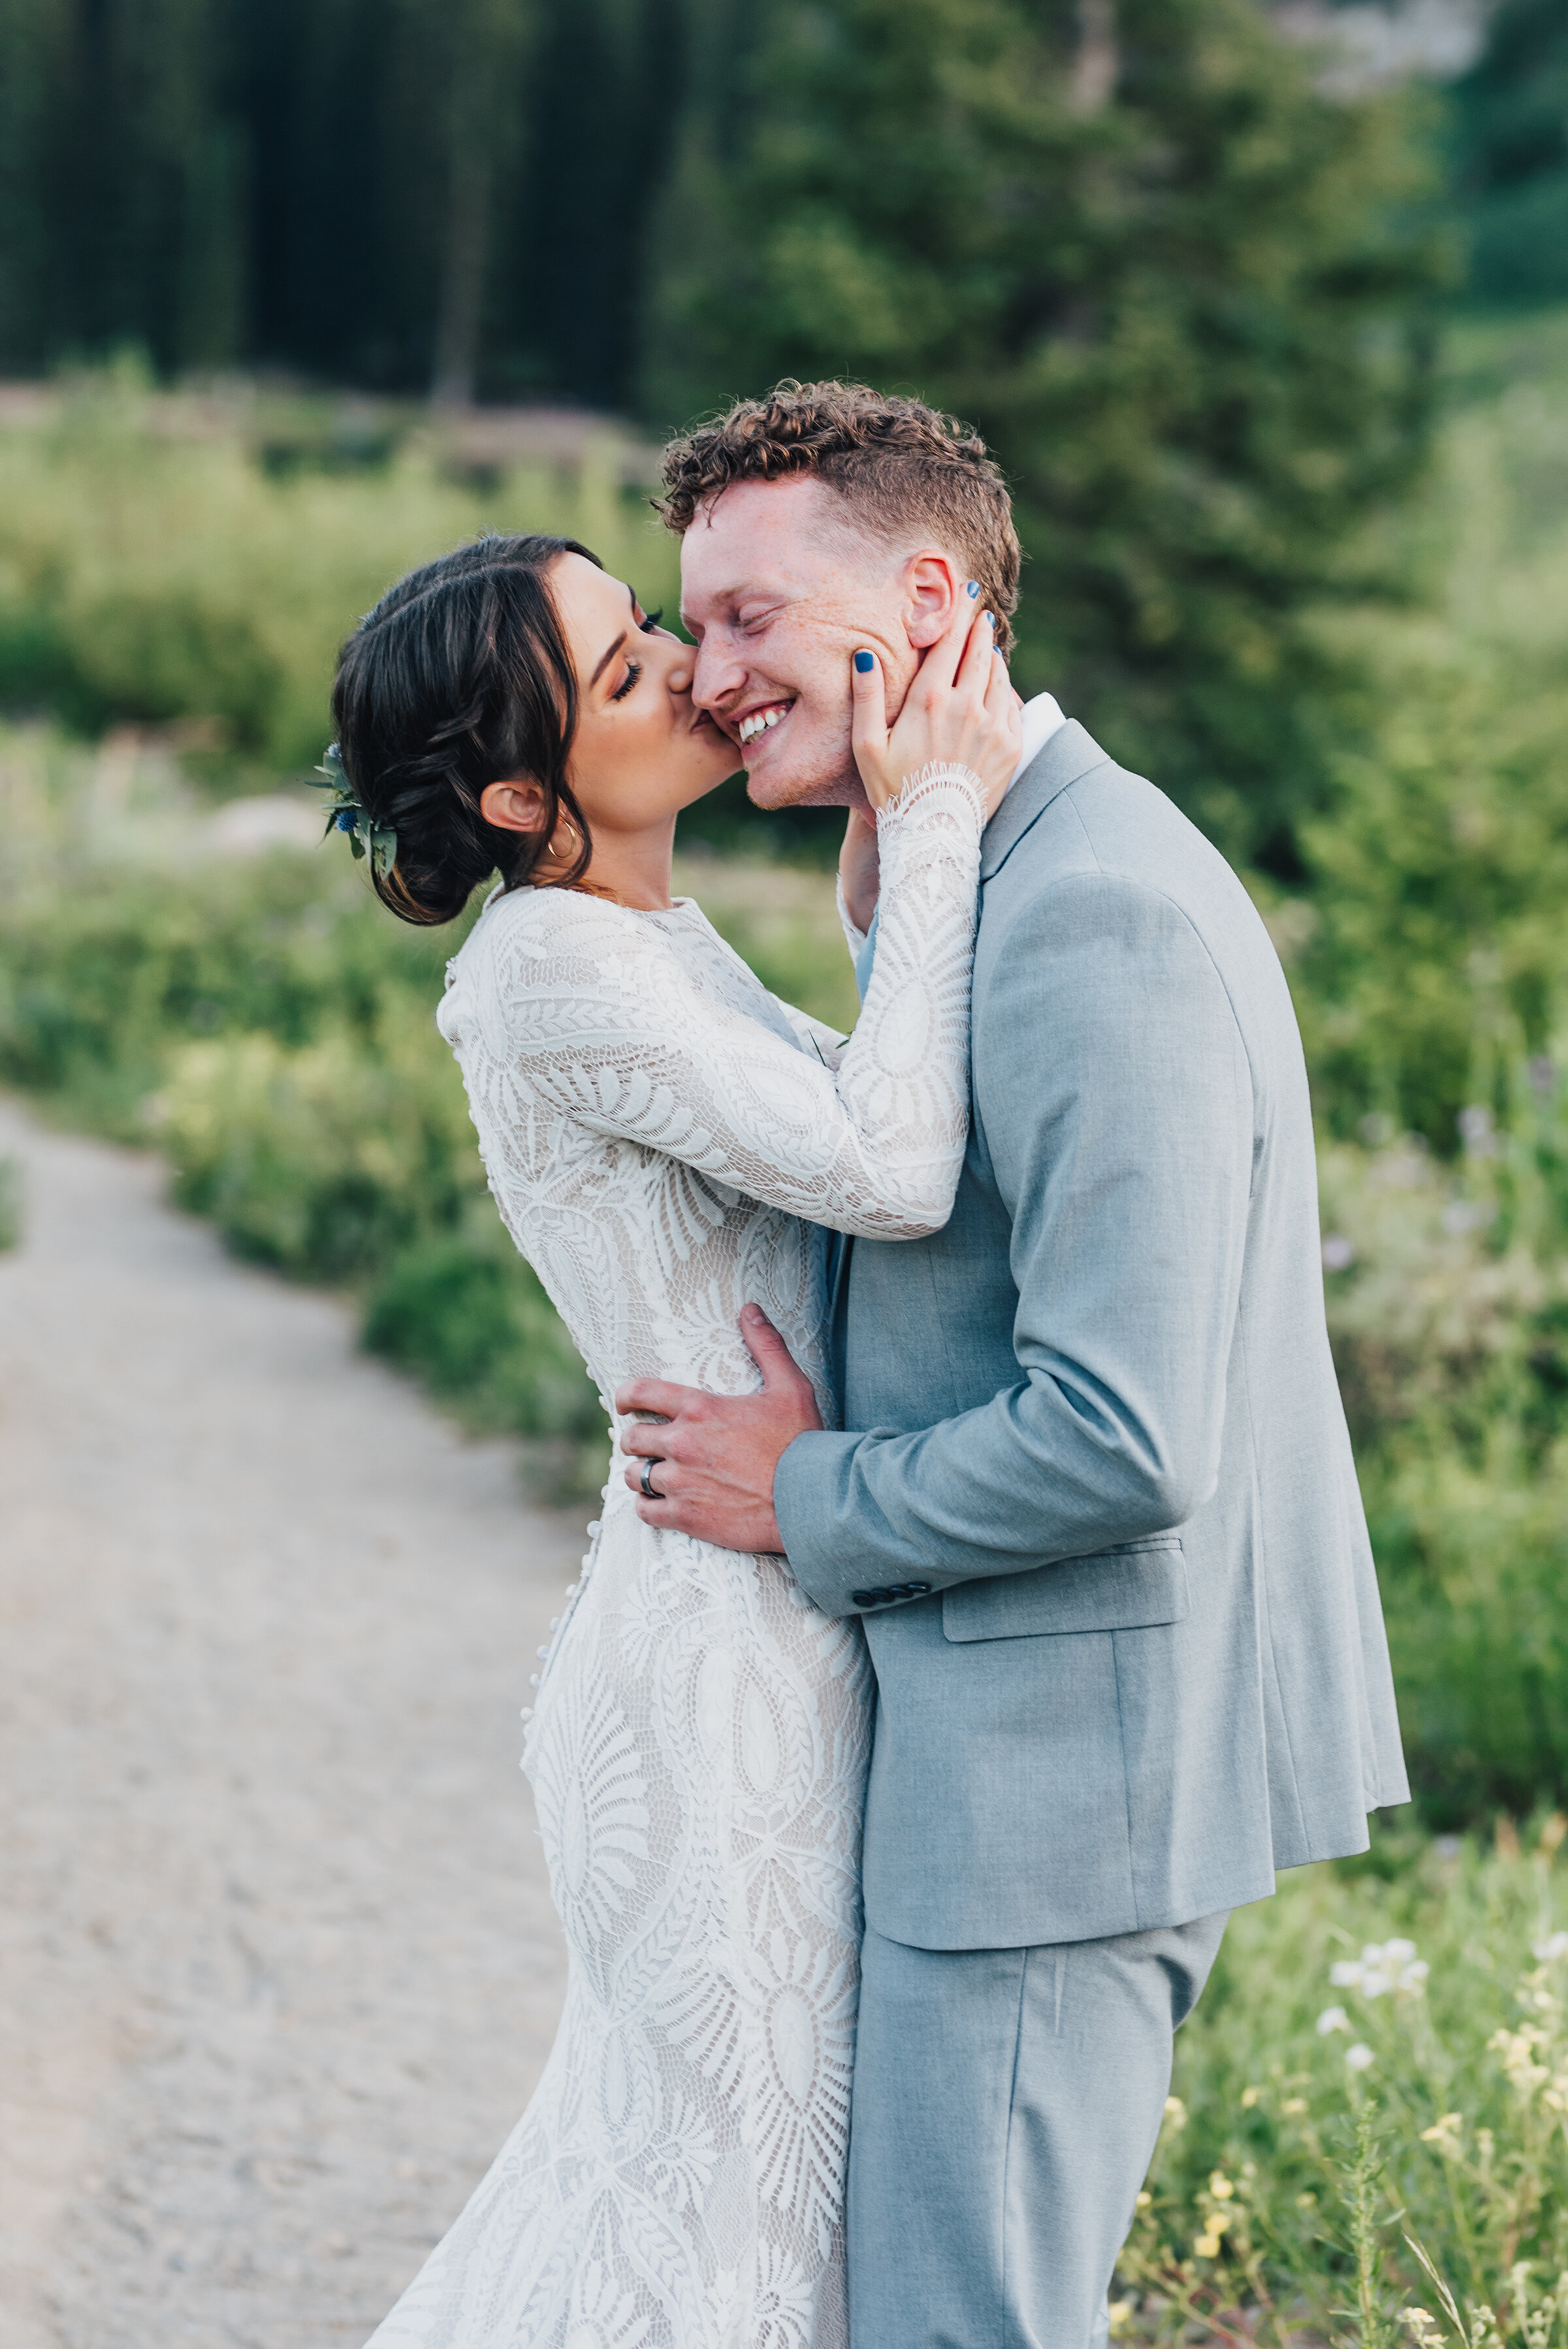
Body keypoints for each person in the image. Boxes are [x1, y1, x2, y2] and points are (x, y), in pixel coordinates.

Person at [615, 381, 1412, 2349]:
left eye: (750, 617)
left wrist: (799, 1493)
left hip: (1057, 1795)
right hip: (1020, 1769)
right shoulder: (985, 871)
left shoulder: (1096, 911)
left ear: (925, 600)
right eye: (692, 623)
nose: (711, 672)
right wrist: (898, 876)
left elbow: (1128, 1432)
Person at [329, 528, 1022, 2347]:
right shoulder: (553, 966)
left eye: (649, 626)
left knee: (711, 2208)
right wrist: (939, 817)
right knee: (722, 2230)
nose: (692, 673)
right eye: (628, 675)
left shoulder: (641, 937)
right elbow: (894, 1170)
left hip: (761, 1611)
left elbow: (849, 1122)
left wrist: (877, 875)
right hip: (716, 1671)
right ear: (518, 797)